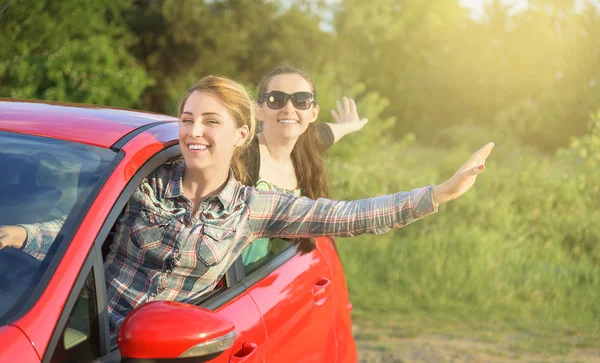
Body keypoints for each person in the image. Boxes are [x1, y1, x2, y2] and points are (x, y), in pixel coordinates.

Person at [0, 75, 494, 330]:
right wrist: (20, 233)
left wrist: (439, 194)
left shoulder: (254, 208)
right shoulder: (144, 183)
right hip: (85, 335)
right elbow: (85, 236)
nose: (193, 132)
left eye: (210, 121)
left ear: (241, 133)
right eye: (187, 118)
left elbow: (348, 216)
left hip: (168, 349)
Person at [241, 65, 368, 265]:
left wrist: (350, 126)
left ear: (313, 113)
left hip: (274, 276)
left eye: (301, 100)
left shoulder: (305, 149)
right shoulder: (241, 157)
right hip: (231, 284)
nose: (289, 109)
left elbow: (327, 134)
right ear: (259, 110)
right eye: (276, 99)